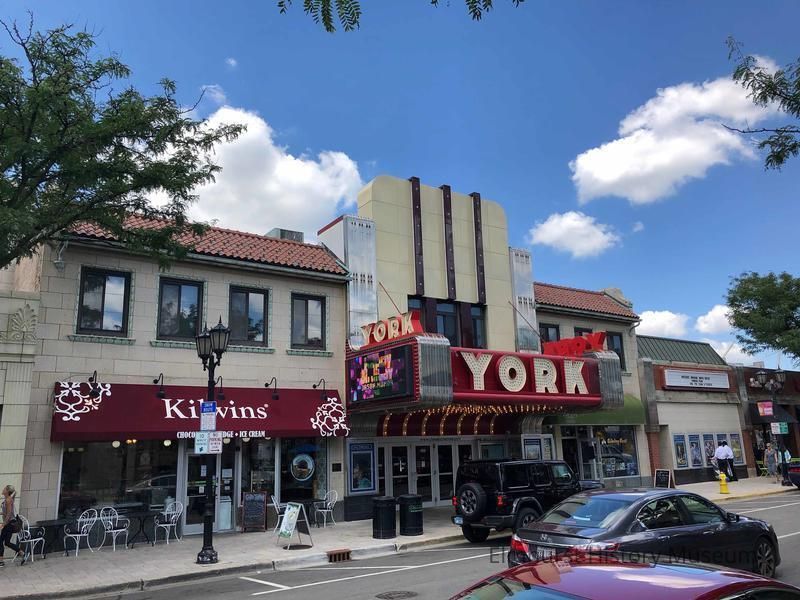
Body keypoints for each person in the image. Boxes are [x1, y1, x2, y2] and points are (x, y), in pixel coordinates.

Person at [0, 484, 22, 567]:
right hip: (9, 523)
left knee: (1, 541)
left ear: (7, 491)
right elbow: (6, 512)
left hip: (10, 523)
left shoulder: (8, 500)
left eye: (5, 488)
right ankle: (22, 553)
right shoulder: (8, 499)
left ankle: (1, 561)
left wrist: (3, 524)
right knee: (7, 542)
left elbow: (9, 514)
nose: (3, 489)